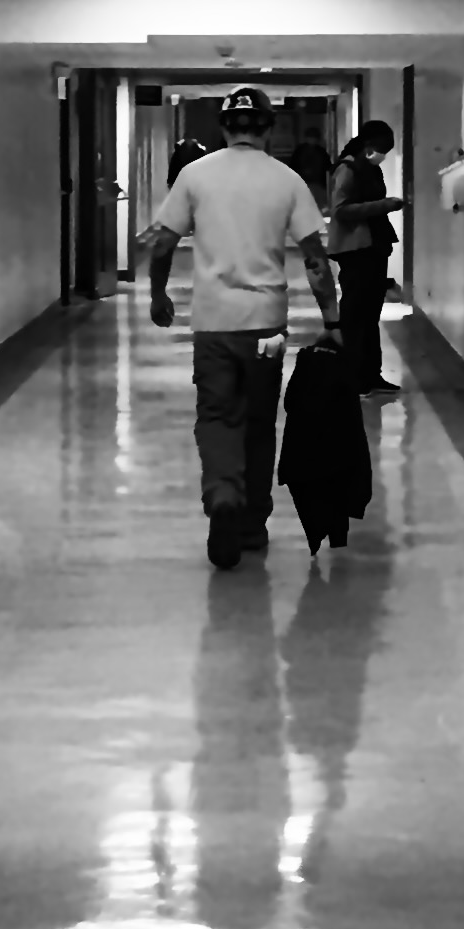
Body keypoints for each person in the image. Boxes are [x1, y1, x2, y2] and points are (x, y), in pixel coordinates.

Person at [144, 87, 343, 570]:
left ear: (224, 126)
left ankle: (223, 498)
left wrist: (157, 293)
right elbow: (315, 259)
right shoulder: (287, 180)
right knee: (257, 422)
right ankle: (253, 522)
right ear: (269, 127)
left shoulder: (195, 174)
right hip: (267, 328)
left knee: (216, 418)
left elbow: (163, 243)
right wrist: (331, 319)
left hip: (213, 324)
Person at [325, 121, 407, 398]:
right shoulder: (347, 169)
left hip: (373, 247)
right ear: (369, 145)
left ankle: (372, 375)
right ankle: (354, 377)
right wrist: (384, 206)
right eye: (382, 149)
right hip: (354, 249)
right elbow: (341, 210)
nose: (383, 154)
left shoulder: (370, 169)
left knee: (371, 315)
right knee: (355, 315)